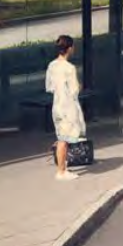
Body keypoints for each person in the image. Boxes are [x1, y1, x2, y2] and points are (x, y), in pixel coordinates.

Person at [47, 35, 87, 179]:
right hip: (67, 107)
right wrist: (79, 86)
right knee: (64, 140)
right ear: (69, 49)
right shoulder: (70, 68)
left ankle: (63, 167)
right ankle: (61, 171)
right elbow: (74, 90)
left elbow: (50, 87)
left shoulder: (52, 65)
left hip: (57, 105)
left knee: (62, 138)